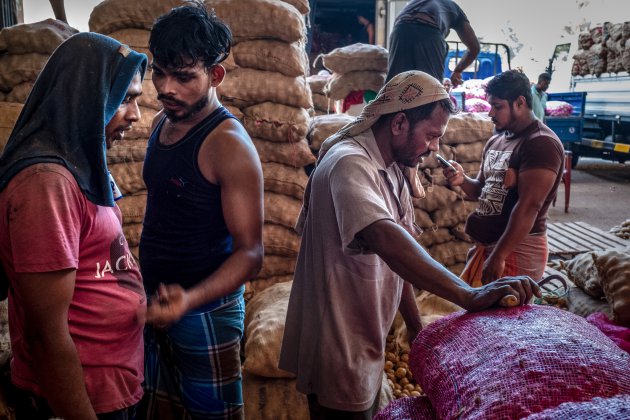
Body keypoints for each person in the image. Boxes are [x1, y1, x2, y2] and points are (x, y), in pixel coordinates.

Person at [279, 70, 540, 420]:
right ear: (400, 122)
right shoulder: (349, 163)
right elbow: (387, 239)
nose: (435, 148)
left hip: (365, 332)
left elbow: (397, 261)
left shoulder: (395, 168)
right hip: (336, 338)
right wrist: (467, 294)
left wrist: (417, 332)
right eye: (431, 136)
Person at [0, 32, 147, 419]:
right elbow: (45, 334)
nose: (136, 115)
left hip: (108, 387)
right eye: (126, 98)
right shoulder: (46, 184)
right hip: (79, 399)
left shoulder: (79, 167)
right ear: (84, 96)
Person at [138, 2, 264, 418]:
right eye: (159, 71)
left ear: (216, 75)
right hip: (157, 304)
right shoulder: (163, 121)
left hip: (206, 314)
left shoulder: (228, 144)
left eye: (184, 76)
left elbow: (251, 253)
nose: (167, 87)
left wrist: (188, 300)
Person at [444, 70, 564, 286]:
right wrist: (462, 180)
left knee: (504, 318)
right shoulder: (496, 141)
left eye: (497, 106)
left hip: (516, 251)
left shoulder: (541, 143)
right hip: (488, 248)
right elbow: (481, 190)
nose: (490, 113)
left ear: (519, 103)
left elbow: (529, 207)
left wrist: (499, 256)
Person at [386, 0, 480, 86]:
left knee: (393, 86)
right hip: (428, 29)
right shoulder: (454, 8)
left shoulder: (415, 2)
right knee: (431, 89)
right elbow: (474, 47)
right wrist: (458, 71)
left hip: (399, 30)